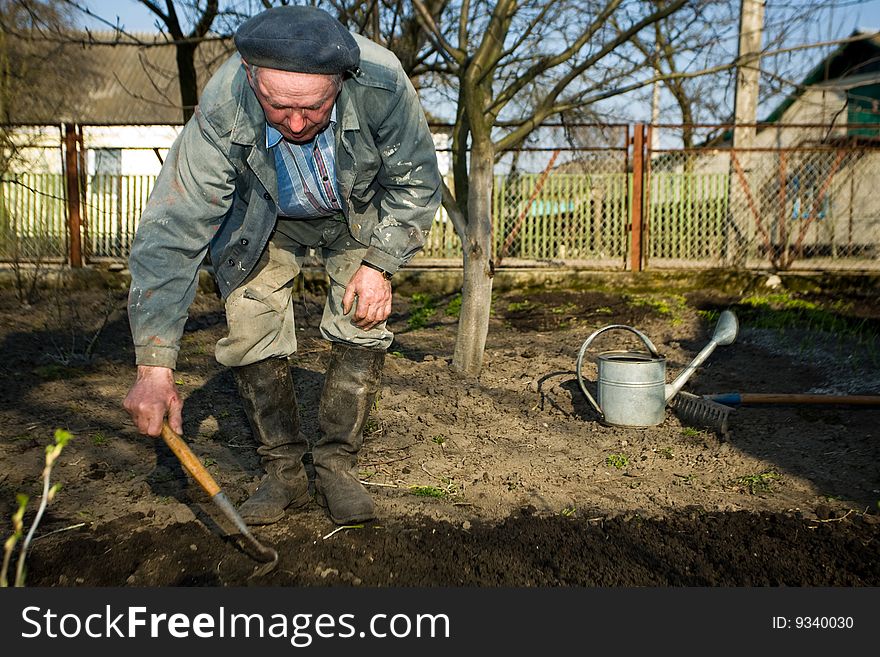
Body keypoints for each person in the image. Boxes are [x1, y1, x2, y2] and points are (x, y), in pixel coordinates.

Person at [123, 5, 442, 527]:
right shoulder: (225, 103)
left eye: (313, 108)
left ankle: (337, 464)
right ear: (252, 78)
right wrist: (154, 367)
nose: (296, 124)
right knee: (250, 327)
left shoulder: (382, 83)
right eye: (277, 107)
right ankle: (283, 473)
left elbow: (416, 185)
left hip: (353, 213)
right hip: (264, 217)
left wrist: (381, 265)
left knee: (362, 322)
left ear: (342, 80)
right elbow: (174, 228)